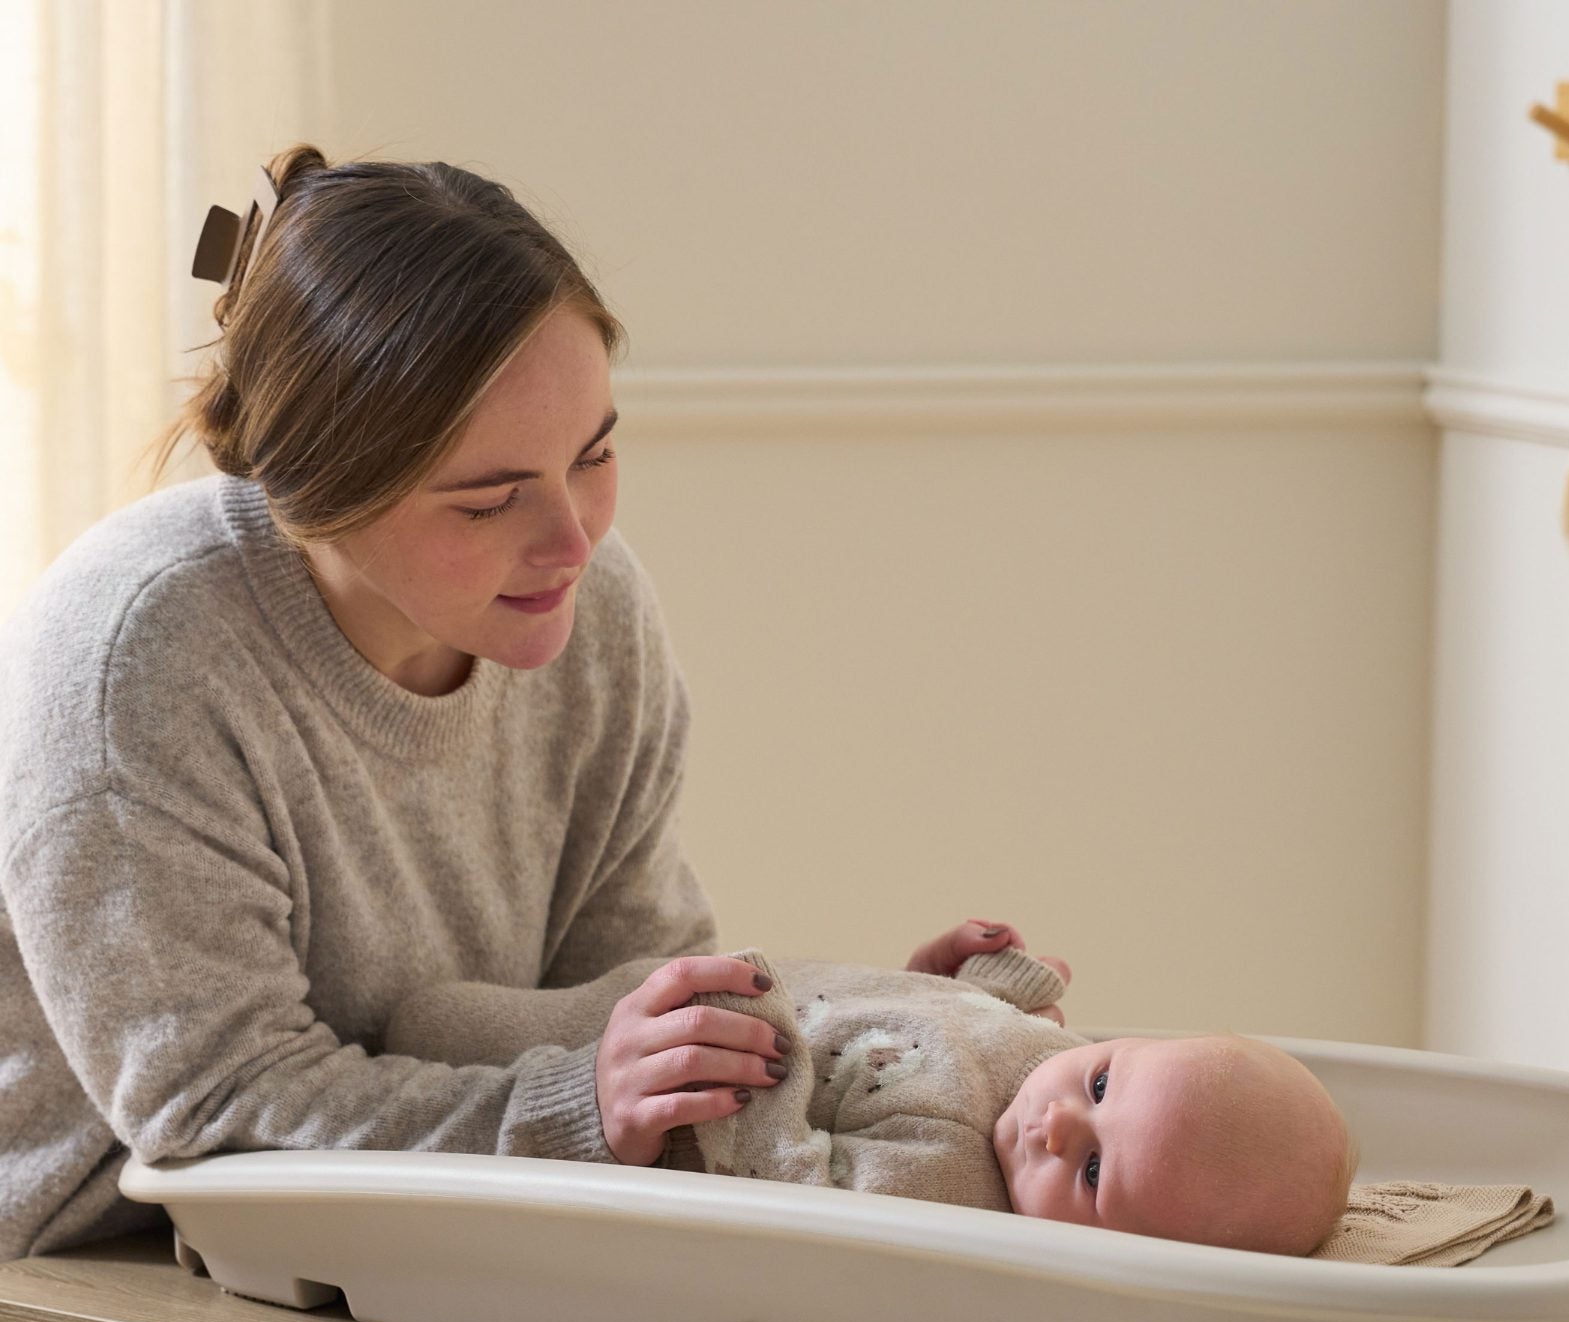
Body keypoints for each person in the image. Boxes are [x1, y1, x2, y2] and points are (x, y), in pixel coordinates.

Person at [0, 145, 1018, 1263]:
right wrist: (575, 1115)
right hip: (80, 1273)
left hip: (420, 1244)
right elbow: (213, 1114)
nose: (573, 541)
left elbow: (623, 1004)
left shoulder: (594, 612)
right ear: (315, 492)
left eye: (595, 453)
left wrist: (881, 1037)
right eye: (489, 500)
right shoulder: (137, 657)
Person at [385, 924, 1357, 1256]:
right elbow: (953, 1030)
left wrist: (763, 1062)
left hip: (654, 1060)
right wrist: (967, 984)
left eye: (1096, 1172)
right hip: (650, 994)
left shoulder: (945, 1186)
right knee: (475, 1006)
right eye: (1102, 1082)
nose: (1060, 1121)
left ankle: (400, 1059)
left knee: (430, 1032)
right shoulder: (1048, 1063)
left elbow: (793, 1189)